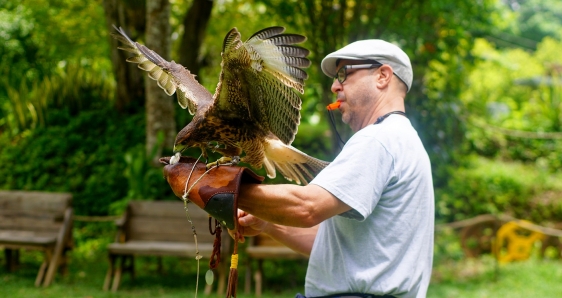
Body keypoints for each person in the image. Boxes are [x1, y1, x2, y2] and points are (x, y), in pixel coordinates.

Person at [232, 39, 435, 298]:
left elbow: (307, 207)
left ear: (382, 76)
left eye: (344, 74)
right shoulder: (404, 139)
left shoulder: (378, 140)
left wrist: (226, 188)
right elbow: (336, 247)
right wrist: (268, 224)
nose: (334, 86)